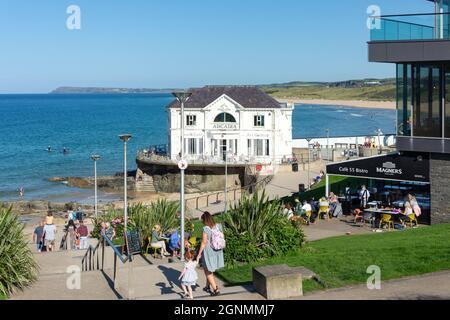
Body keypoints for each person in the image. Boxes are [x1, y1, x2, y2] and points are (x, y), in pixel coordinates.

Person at [196, 212, 224, 297]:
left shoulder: (205, 229)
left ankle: (216, 289)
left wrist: (199, 254)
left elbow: (204, 242)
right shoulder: (219, 226)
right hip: (217, 250)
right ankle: (207, 287)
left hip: (208, 251)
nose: (202, 222)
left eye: (202, 220)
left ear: (205, 220)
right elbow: (223, 237)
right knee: (209, 269)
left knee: (207, 271)